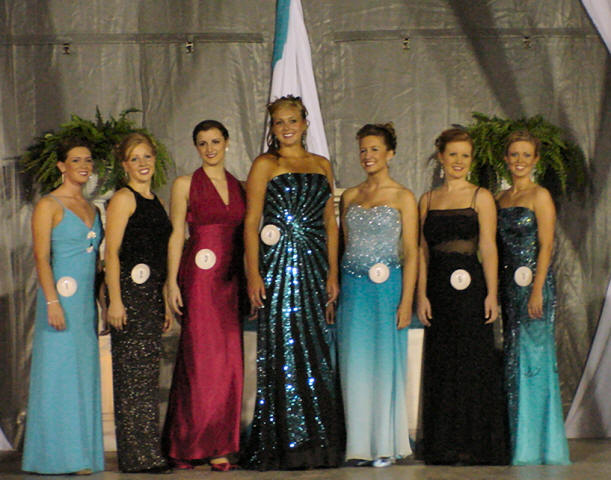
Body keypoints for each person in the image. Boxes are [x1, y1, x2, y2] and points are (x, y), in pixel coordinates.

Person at [241, 95, 344, 470]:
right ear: (272, 128)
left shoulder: (321, 164)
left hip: (315, 267)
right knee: (282, 350)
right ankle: (285, 442)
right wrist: (254, 273)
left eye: (292, 120)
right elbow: (251, 222)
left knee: (315, 348)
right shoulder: (265, 165)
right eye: (279, 122)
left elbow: (329, 224)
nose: (286, 127)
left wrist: (332, 273)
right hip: (278, 268)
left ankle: (316, 440)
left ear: (304, 123)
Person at [417, 128, 509, 465]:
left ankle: (474, 445)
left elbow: (489, 247)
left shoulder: (481, 197)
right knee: (443, 365)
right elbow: (422, 251)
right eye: (453, 154)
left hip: (472, 292)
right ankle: (445, 445)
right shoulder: (427, 200)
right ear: (441, 157)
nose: (459, 161)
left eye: (465, 156)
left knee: (473, 364)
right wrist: (421, 295)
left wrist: (492, 294)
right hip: (438, 292)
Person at [163, 120, 245, 472]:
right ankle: (189, 443)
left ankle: (220, 446)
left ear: (227, 143)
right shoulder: (184, 184)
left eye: (215, 141)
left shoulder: (240, 186)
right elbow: (175, 234)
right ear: (196, 147)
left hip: (231, 281)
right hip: (198, 281)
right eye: (202, 143)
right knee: (199, 361)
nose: (210, 148)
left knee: (228, 364)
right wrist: (171, 282)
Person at [336, 123, 418, 467]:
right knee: (354, 365)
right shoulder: (350, 196)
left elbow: (412, 252)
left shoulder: (403, 197)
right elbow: (343, 246)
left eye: (374, 149)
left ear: (390, 153)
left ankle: (385, 443)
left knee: (385, 364)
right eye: (363, 150)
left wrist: (407, 301)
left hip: (388, 290)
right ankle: (358, 446)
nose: (368, 156)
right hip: (353, 290)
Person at [22, 137, 104, 474]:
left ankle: (81, 454)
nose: (84, 166)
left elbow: (96, 263)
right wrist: (52, 302)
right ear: (61, 166)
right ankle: (56, 456)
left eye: (88, 160)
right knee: (58, 376)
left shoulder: (93, 208)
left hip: (84, 306)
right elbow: (41, 258)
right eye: (76, 160)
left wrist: (101, 302)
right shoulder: (49, 205)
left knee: (81, 376)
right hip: (58, 301)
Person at [497, 130, 570, 465]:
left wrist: (538, 288)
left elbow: (547, 244)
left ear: (536, 160)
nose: (519, 161)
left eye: (526, 155)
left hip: (535, 288)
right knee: (514, 360)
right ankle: (519, 442)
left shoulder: (540, 196)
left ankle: (541, 445)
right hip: (508, 289)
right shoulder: (500, 198)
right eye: (514, 154)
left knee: (535, 361)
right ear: (506, 158)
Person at [104, 133, 172, 473]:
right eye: (135, 158)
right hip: (129, 295)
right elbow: (111, 254)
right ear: (124, 165)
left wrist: (164, 301)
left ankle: (149, 451)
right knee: (131, 379)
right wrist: (115, 301)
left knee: (146, 379)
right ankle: (136, 456)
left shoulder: (156, 201)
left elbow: (160, 256)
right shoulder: (123, 198)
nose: (142, 163)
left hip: (151, 296)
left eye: (147, 156)